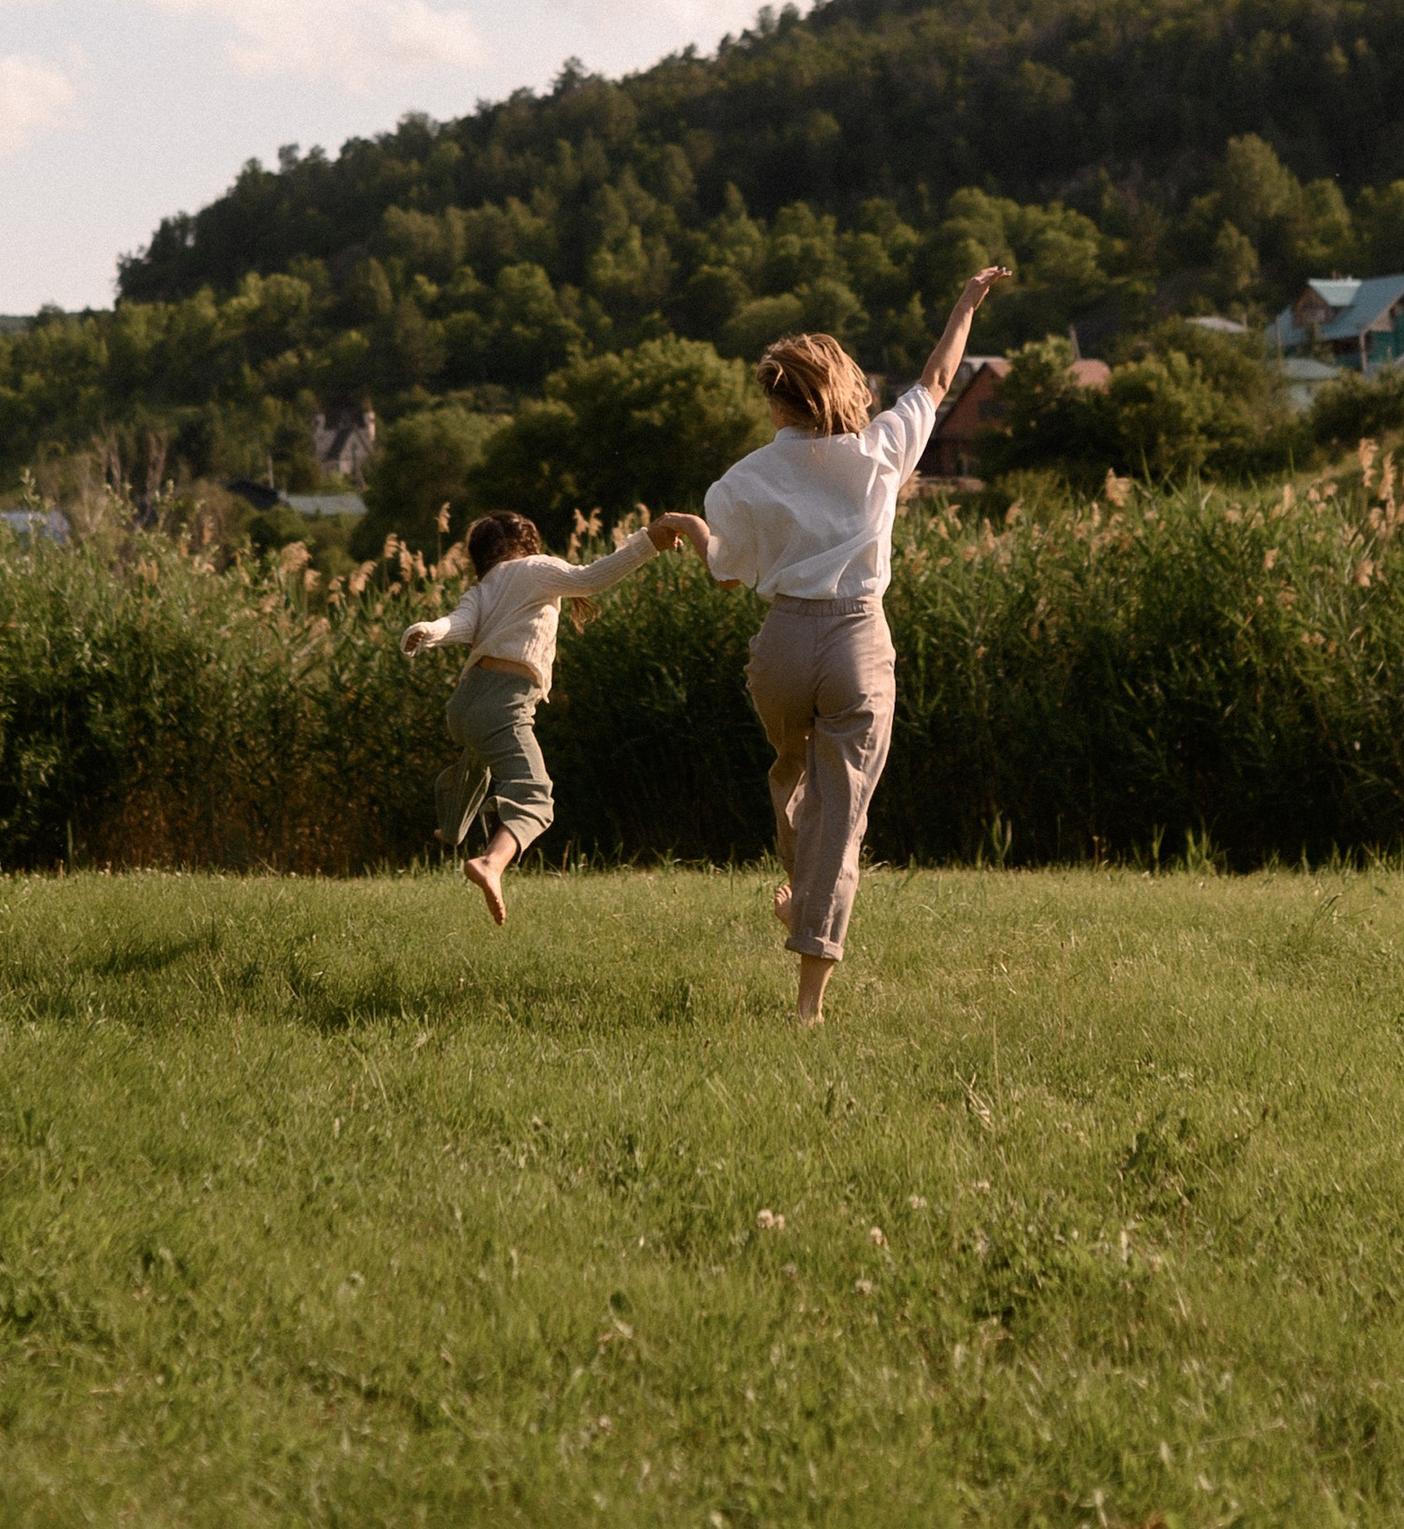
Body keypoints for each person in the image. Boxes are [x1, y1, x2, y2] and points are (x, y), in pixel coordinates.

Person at [651, 262, 1008, 1022]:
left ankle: (799, 894)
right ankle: (809, 1001)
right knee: (840, 813)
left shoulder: (741, 479)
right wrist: (966, 298)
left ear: (776, 400)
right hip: (854, 642)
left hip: (780, 646)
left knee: (793, 776)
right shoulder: (879, 451)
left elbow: (725, 576)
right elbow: (940, 379)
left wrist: (691, 529)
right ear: (839, 388)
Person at [403, 510, 662, 927]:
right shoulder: (537, 568)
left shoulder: (484, 586)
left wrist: (428, 631)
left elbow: (459, 623)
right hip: (503, 705)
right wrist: (649, 543)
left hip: (465, 705)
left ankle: (451, 827)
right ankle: (490, 862)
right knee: (535, 794)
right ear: (527, 542)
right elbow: (593, 577)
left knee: (480, 758)